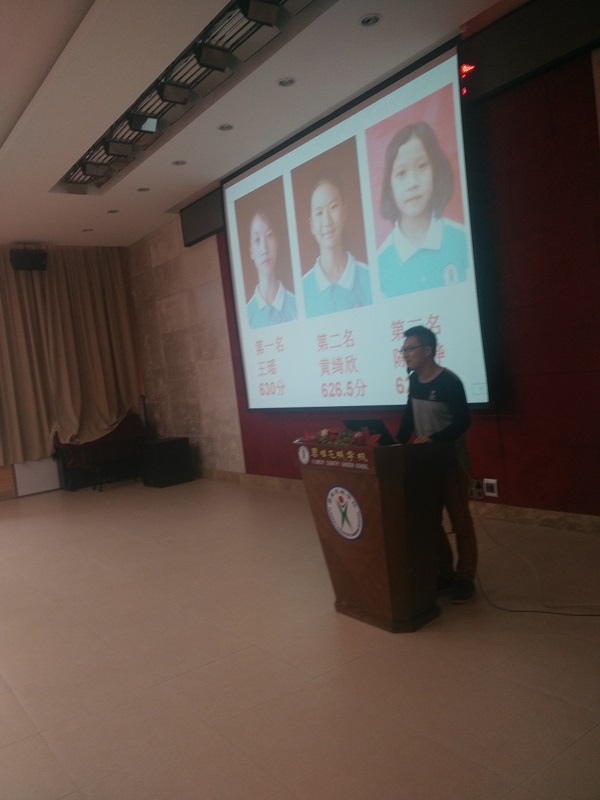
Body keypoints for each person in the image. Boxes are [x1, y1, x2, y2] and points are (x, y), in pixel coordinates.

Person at [395, 325, 477, 603]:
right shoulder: (414, 380)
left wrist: (435, 439)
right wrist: (392, 445)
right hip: (424, 465)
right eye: (403, 349)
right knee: (430, 522)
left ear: (428, 350)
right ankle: (445, 573)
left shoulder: (449, 382)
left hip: (452, 464)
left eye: (410, 349)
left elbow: (464, 421)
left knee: (461, 523)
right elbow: (409, 419)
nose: (405, 354)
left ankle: (465, 577)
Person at [377, 121, 468, 296]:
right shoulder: (380, 262)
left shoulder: (461, 239)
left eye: (422, 166)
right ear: (389, 185)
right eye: (401, 173)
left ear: (435, 170)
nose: (413, 183)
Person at [302, 176, 372, 317]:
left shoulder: (369, 277)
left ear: (344, 212)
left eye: (333, 207)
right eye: (319, 213)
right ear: (311, 225)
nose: (327, 221)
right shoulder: (302, 289)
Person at [246, 209, 297, 328]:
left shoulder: (296, 304)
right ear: (251, 252)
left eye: (269, 236)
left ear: (277, 242)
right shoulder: (247, 316)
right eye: (257, 240)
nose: (264, 249)